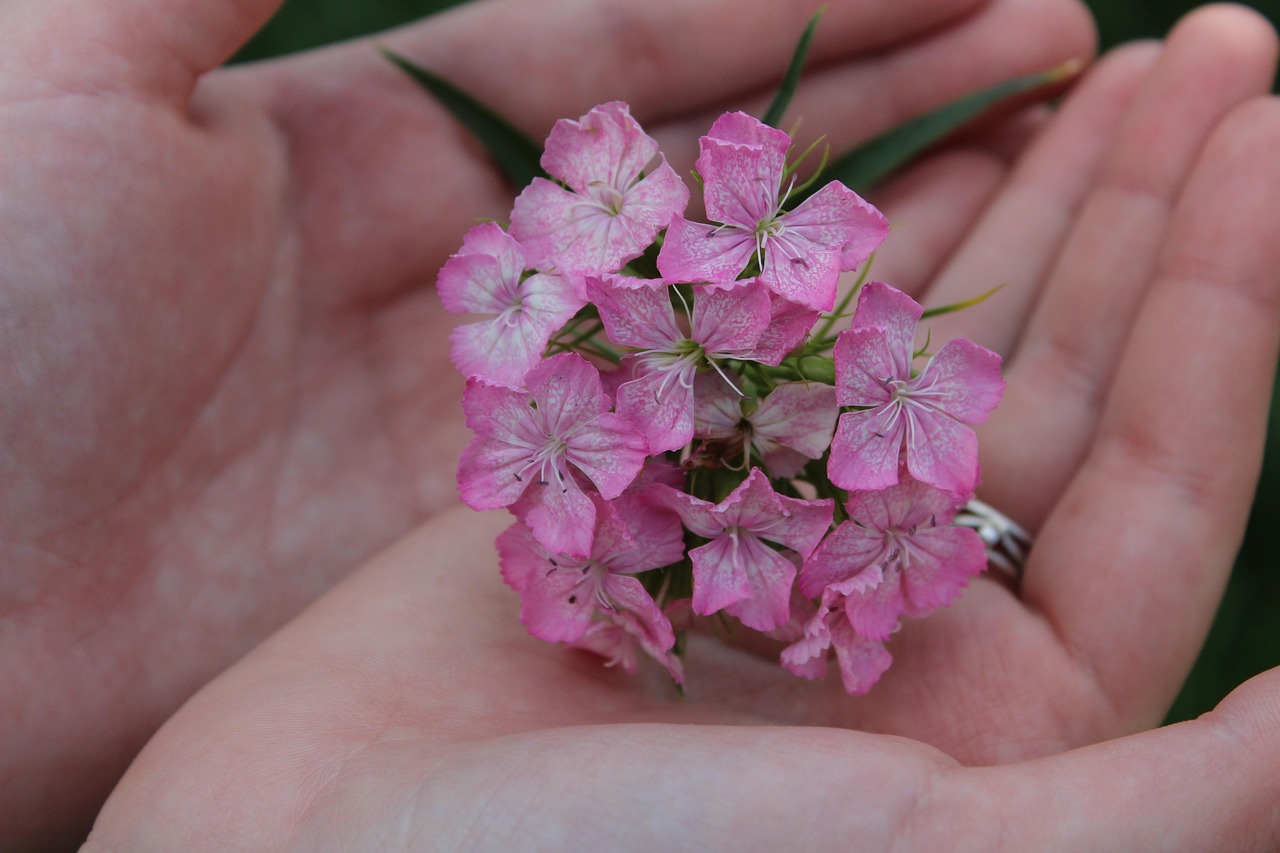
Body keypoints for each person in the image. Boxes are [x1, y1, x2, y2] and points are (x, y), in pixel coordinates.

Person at [2, 0, 1277, 847]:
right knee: (628, 439)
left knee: (752, 444)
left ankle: (802, 565)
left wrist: (845, 523)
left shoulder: (779, 382)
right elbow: (638, 405)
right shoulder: (587, 333)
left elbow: (760, 410)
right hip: (686, 433)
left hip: (763, 457)